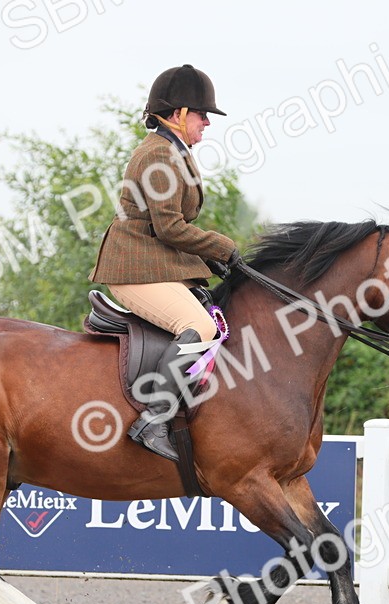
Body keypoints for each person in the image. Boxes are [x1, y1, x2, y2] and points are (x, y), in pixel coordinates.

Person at [89, 64, 241, 461]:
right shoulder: (158, 154)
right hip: (132, 269)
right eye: (202, 114)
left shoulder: (175, 151)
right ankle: (154, 419)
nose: (207, 122)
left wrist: (211, 261)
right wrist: (222, 247)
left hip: (152, 264)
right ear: (177, 114)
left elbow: (169, 234)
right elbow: (171, 228)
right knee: (200, 326)